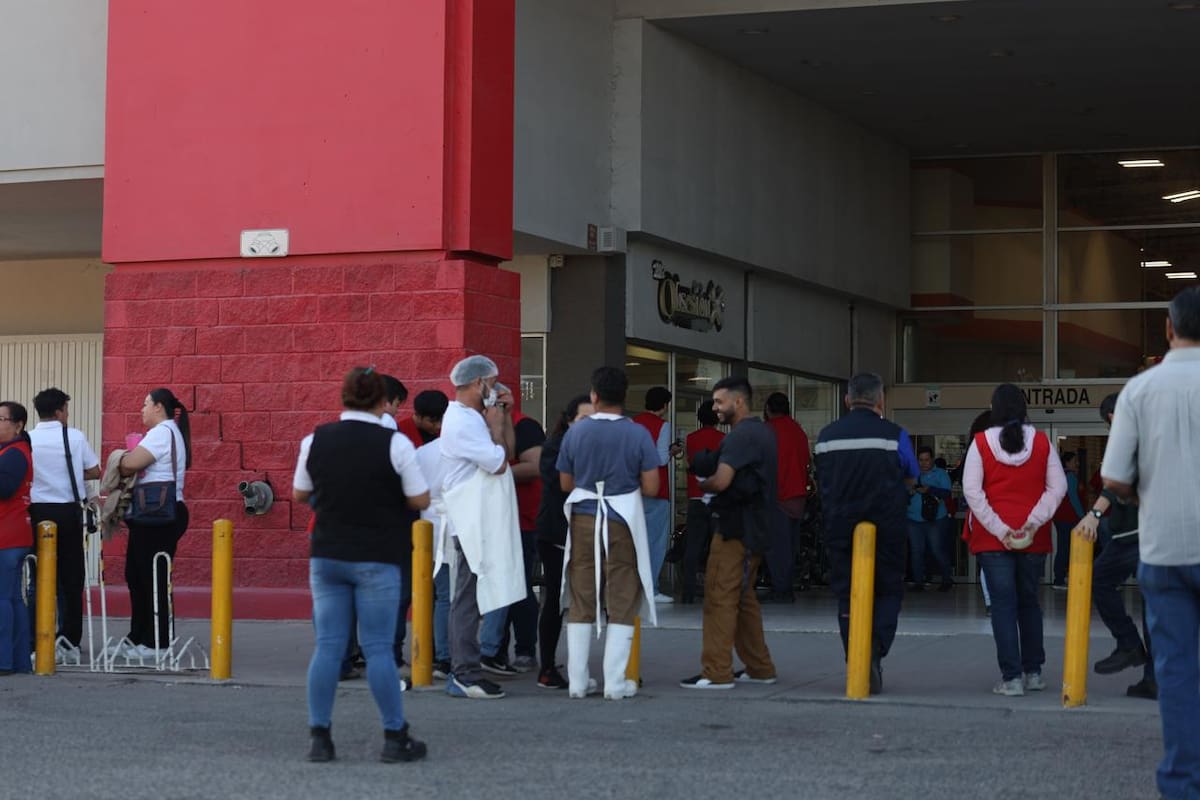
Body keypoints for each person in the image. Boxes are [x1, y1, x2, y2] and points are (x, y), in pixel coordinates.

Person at [292, 367, 430, 763]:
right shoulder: (396, 443)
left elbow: (300, 492)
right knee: (379, 649)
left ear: (344, 396)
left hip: (327, 553)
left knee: (328, 646)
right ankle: (394, 736)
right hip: (377, 555)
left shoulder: (315, 439)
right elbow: (420, 498)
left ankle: (320, 737)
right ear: (382, 401)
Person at [1101, 286, 1200, 799]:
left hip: (1164, 549)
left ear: (1168, 327)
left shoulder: (1139, 391)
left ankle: (1183, 784)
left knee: (1176, 670)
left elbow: (1114, 478)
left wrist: (1146, 491)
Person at [558, 366, 659, 699]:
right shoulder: (638, 434)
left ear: (594, 395)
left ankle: (577, 681)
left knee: (581, 595)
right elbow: (652, 487)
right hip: (622, 519)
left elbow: (565, 483)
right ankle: (615, 684)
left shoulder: (576, 432)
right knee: (622, 595)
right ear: (624, 397)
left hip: (583, 517)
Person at [814, 372, 917, 694]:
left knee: (847, 594)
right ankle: (875, 649)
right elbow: (911, 476)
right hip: (887, 527)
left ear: (847, 400)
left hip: (840, 526)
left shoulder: (826, 437)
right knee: (888, 591)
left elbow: (821, 479)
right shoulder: (895, 435)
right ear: (880, 400)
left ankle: (855, 655)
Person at [962, 383, 1066, 697]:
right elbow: (1058, 488)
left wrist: (1000, 529)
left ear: (993, 409)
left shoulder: (981, 442)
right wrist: (1031, 523)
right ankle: (1033, 673)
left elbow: (972, 492)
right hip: (1033, 539)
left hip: (993, 540)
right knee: (1029, 603)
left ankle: (1012, 678)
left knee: (1003, 607)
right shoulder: (1042, 442)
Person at [680, 376, 778, 690]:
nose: (715, 408)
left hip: (735, 528)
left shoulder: (740, 437)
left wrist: (705, 485)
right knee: (743, 598)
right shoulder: (762, 432)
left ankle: (716, 671)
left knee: (719, 596)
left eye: (719, 402)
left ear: (739, 401)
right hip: (754, 528)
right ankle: (759, 667)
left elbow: (721, 481)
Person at [439, 355, 520, 700]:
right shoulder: (462, 422)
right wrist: (496, 423)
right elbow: (499, 463)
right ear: (477, 383)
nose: (497, 388)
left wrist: (501, 417)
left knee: (473, 595)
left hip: (481, 517)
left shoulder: (473, 417)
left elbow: (507, 453)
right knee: (467, 598)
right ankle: (464, 673)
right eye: (492, 381)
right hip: (471, 519)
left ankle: (466, 669)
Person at [1073, 392, 1155, 700]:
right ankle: (1154, 679)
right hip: (1152, 535)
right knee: (1154, 609)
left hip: (1134, 536)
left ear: (1111, 416)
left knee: (1099, 579)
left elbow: (1116, 482)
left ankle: (1129, 643)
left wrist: (1094, 515)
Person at [116, 388, 192, 658]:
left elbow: (131, 464)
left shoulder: (162, 432)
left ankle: (157, 642)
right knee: (136, 575)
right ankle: (138, 636)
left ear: (159, 407)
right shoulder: (165, 432)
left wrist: (121, 458)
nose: (142, 409)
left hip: (159, 514)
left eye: (146, 404)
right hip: (151, 514)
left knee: (153, 578)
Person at [28, 388, 100, 658]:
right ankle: (69, 641)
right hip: (68, 511)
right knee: (71, 578)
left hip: (36, 512)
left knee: (38, 577)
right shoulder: (74, 436)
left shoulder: (28, 439)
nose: (67, 414)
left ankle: (37, 639)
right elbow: (94, 470)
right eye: (66, 409)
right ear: (59, 411)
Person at [479, 388, 545, 675]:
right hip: (490, 519)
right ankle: (496, 651)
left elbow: (535, 466)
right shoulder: (477, 426)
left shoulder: (525, 426)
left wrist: (493, 472)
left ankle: (524, 650)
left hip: (521, 520)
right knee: (496, 588)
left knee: (519, 588)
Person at [533, 394, 593, 689]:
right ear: (569, 420)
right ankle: (546, 667)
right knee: (556, 599)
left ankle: (607, 665)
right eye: (583, 419)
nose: (589, 426)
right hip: (557, 532)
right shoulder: (555, 446)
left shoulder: (595, 446)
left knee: (591, 598)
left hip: (588, 529)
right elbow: (561, 485)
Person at [632, 386, 682, 603]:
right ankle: (650, 589)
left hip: (632, 489)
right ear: (664, 405)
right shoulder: (663, 425)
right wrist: (672, 451)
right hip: (656, 489)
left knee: (632, 542)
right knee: (654, 542)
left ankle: (631, 588)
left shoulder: (632, 423)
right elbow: (660, 459)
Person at [763, 392, 810, 603]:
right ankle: (786, 585)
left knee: (776, 545)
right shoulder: (798, 431)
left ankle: (781, 588)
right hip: (797, 494)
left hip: (777, 494)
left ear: (768, 409)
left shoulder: (768, 430)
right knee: (790, 544)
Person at [0, 402, 32, 676]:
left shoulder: (14, 454)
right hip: (13, 534)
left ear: (18, 425)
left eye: (1, 419)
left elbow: (5, 488)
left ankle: (4, 660)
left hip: (7, 536)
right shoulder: (12, 451)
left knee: (3, 599)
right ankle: (20, 661)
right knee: (12, 598)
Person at [682, 403, 725, 605]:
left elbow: (689, 463)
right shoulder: (723, 439)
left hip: (696, 496)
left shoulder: (691, 438)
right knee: (718, 547)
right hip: (717, 497)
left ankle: (688, 591)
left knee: (693, 546)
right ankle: (718, 590)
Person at [906, 446, 953, 592]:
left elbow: (947, 493)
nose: (923, 463)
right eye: (921, 460)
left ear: (932, 459)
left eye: (926, 460)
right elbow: (901, 493)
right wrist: (910, 491)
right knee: (916, 552)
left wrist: (930, 489)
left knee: (937, 550)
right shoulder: (911, 474)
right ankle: (918, 582)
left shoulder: (940, 474)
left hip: (936, 519)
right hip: (913, 519)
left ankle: (947, 579)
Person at [1051, 451, 1086, 589]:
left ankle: (1060, 577)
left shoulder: (1061, 475)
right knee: (1065, 548)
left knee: (1064, 547)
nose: (1077, 463)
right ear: (1067, 462)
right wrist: (1083, 516)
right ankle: (1059, 579)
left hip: (1060, 517)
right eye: (1074, 461)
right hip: (1068, 517)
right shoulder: (1070, 476)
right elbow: (1073, 498)